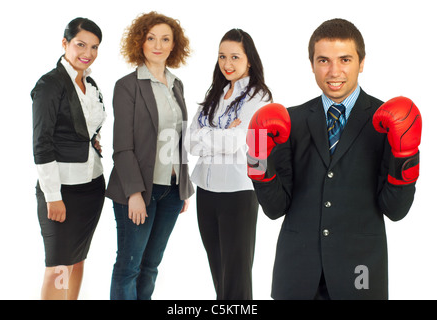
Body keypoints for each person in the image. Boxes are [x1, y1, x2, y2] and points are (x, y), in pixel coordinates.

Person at [246, 18, 421, 299]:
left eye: (345, 60)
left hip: (359, 272)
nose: (334, 71)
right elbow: (275, 208)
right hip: (297, 271)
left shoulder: (388, 120)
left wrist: (406, 155)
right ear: (312, 64)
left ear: (361, 63)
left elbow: (396, 210)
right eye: (324, 60)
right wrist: (256, 156)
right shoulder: (290, 120)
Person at [105, 12, 194, 300]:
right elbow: (122, 146)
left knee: (151, 266)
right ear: (140, 42)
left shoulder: (176, 84)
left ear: (173, 46)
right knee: (129, 267)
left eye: (165, 39)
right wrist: (134, 193)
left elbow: (179, 138)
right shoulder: (127, 85)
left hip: (171, 192)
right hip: (139, 190)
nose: (158, 45)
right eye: (151, 38)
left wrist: (183, 187)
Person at [185, 28, 273, 300]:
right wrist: (220, 135)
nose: (227, 63)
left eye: (235, 57)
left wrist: (208, 133)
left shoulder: (259, 97)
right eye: (222, 56)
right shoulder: (216, 93)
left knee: (235, 276)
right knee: (218, 272)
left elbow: (237, 143)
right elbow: (189, 142)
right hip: (207, 193)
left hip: (238, 193)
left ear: (249, 60)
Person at [31, 17, 106, 300]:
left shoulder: (90, 82)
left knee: (77, 260)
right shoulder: (50, 84)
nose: (88, 53)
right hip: (63, 191)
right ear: (65, 43)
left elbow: (86, 128)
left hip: (92, 186)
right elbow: (42, 143)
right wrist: (53, 196)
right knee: (58, 267)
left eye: (95, 47)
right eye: (81, 45)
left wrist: (93, 142)